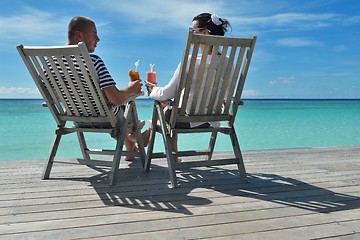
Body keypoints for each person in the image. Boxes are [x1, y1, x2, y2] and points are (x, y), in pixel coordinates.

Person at [145, 13, 231, 163]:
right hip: (214, 119)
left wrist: (152, 90)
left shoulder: (190, 60)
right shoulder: (228, 62)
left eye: (192, 31)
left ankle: (148, 137)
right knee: (169, 107)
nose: (189, 35)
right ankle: (153, 139)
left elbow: (167, 92)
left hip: (184, 118)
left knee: (163, 106)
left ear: (205, 32)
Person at [66, 16, 149, 160]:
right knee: (125, 104)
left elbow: (55, 94)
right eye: (94, 34)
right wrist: (131, 89)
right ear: (79, 35)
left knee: (118, 105)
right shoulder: (93, 61)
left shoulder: (48, 62)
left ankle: (130, 146)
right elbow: (115, 98)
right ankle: (134, 138)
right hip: (103, 117)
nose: (98, 40)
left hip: (76, 118)